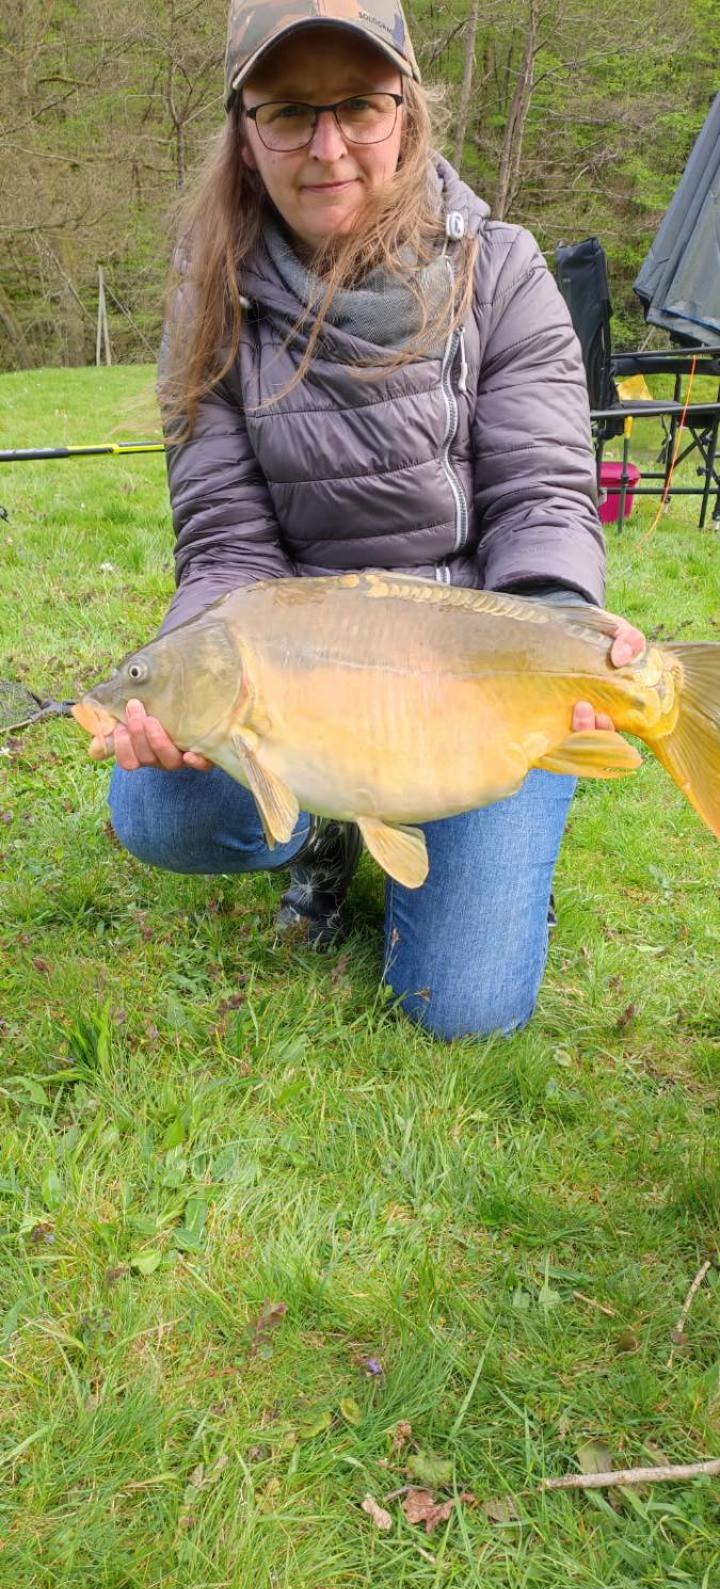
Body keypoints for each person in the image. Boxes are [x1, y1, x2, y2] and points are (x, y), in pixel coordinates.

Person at [108, 0, 645, 1041]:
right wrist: (190, 669)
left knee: (463, 1009)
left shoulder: (507, 271)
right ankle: (322, 824)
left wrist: (559, 630)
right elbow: (224, 539)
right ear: (243, 129)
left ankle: (462, 836)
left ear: (405, 107)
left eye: (356, 104)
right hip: (310, 674)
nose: (327, 146)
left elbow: (542, 497)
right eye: (289, 112)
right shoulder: (208, 298)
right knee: (157, 803)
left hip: (474, 679)